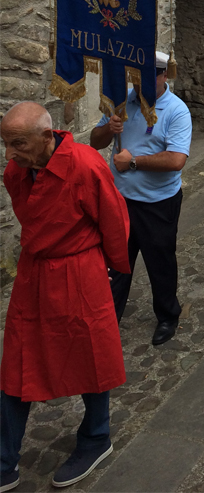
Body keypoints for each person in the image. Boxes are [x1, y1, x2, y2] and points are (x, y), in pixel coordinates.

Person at [1, 102, 130, 491]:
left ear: (45, 137)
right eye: (6, 144)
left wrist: (109, 268)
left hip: (78, 269)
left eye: (17, 144)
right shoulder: (17, 170)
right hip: (35, 271)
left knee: (91, 353)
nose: (9, 154)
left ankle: (96, 438)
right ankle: (4, 459)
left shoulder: (86, 165)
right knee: (17, 359)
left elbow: (114, 220)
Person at [90, 52, 192, 347]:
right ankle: (108, 321)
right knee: (115, 264)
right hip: (120, 200)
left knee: (160, 263)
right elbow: (95, 142)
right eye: (136, 78)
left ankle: (168, 316)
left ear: (163, 75)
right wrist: (108, 129)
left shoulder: (176, 110)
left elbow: (176, 160)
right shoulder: (121, 103)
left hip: (157, 203)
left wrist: (133, 162)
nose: (140, 84)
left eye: (148, 78)